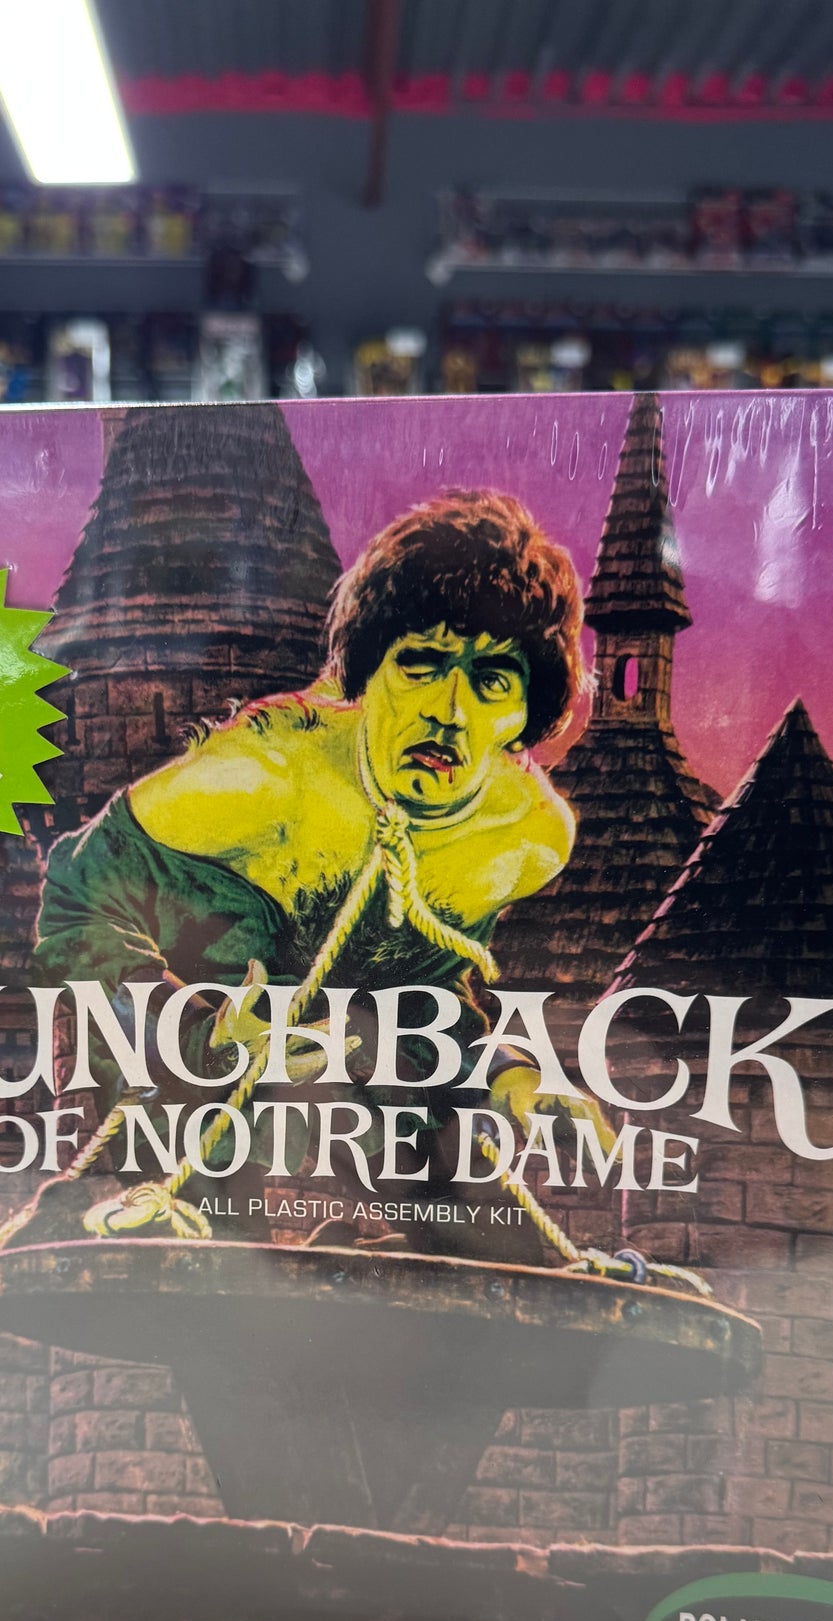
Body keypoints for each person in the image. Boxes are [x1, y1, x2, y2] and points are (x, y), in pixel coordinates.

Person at [35, 488, 610, 1254]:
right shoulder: (261, 777)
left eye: (491, 681)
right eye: (421, 666)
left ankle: (404, 1264)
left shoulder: (524, 837)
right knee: (193, 1236)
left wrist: (507, 1075)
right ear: (369, 675)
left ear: (524, 712)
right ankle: (112, 1211)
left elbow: (422, 996)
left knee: (490, 1240)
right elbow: (76, 899)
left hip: (338, 1032)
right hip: (180, 1013)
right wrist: (201, 1037)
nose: (449, 712)